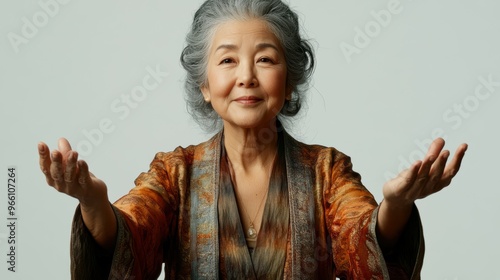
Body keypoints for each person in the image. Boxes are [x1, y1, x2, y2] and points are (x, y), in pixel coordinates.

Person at [38, 0, 467, 279]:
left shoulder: (327, 172)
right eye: (227, 59)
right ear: (205, 84)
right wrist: (93, 202)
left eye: (265, 58)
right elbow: (134, 239)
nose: (246, 75)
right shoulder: (175, 175)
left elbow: (361, 242)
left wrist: (396, 205)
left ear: (290, 80)